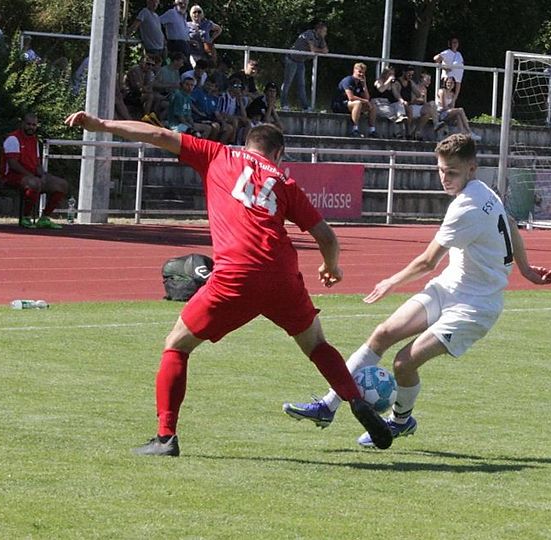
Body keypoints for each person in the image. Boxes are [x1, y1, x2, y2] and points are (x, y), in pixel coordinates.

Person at [62, 113, 395, 454]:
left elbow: (158, 134)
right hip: (281, 275)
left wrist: (102, 124)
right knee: (316, 344)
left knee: (177, 344)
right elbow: (325, 235)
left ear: (248, 144)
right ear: (278, 154)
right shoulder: (283, 182)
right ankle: (356, 401)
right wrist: (331, 266)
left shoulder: (217, 154)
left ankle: (165, 437)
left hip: (236, 274)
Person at [282, 133, 551, 447]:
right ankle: (328, 406)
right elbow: (509, 222)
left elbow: (427, 262)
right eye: (441, 170)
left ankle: (401, 421)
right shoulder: (482, 191)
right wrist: (526, 270)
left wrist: (390, 282)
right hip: (450, 287)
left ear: (471, 169)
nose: (444, 178)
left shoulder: (467, 206)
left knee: (403, 363)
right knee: (383, 333)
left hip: (475, 306)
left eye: (452, 172)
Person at [0, 113, 70, 229]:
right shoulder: (13, 138)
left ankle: (44, 218)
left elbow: (37, 164)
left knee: (61, 184)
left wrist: (43, 175)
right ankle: (25, 217)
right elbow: (13, 164)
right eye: (28, 124)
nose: (31, 127)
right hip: (12, 177)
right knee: (34, 183)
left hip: (31, 176)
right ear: (22, 123)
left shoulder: (34, 140)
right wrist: (32, 177)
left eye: (34, 125)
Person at [281, 21, 328, 111]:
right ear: (318, 30)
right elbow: (313, 49)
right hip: (292, 59)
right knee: (287, 82)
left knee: (301, 84)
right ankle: (284, 104)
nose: (325, 33)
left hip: (300, 61)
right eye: (324, 31)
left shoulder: (321, 38)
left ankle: (305, 107)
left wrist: (320, 49)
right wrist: (320, 50)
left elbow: (326, 50)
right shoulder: (309, 34)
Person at [332, 62, 378, 138]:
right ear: (354, 70)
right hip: (340, 104)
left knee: (373, 106)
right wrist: (365, 101)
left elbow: (367, 98)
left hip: (352, 105)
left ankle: (372, 131)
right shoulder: (348, 80)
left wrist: (364, 85)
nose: (361, 74)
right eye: (359, 72)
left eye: (363, 73)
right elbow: (351, 97)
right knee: (358, 103)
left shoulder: (360, 83)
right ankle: (354, 130)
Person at [436, 76, 480, 141]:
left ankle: (462, 134)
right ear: (445, 83)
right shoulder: (442, 91)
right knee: (460, 110)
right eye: (448, 83)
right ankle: (469, 131)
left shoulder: (452, 94)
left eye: (452, 83)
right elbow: (443, 106)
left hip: (447, 114)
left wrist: (453, 107)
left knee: (458, 114)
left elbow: (452, 107)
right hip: (440, 114)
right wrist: (452, 109)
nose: (450, 84)